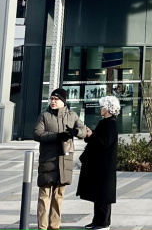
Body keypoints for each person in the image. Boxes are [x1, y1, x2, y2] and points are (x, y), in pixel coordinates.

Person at [33, 88, 87, 230]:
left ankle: (54, 226)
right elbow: (37, 134)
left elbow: (84, 131)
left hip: (64, 162)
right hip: (47, 161)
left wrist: (75, 132)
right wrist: (56, 136)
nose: (53, 102)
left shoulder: (73, 115)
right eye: (51, 99)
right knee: (44, 196)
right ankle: (42, 227)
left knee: (58, 196)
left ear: (63, 101)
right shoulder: (44, 115)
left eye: (56, 99)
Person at [77, 96, 120, 230]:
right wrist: (91, 135)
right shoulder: (105, 122)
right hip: (99, 164)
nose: (100, 109)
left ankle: (104, 222)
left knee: (103, 195)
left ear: (108, 108)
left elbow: (104, 142)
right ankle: (97, 220)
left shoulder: (111, 123)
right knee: (98, 194)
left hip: (104, 165)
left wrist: (92, 135)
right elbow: (100, 139)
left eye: (102, 106)